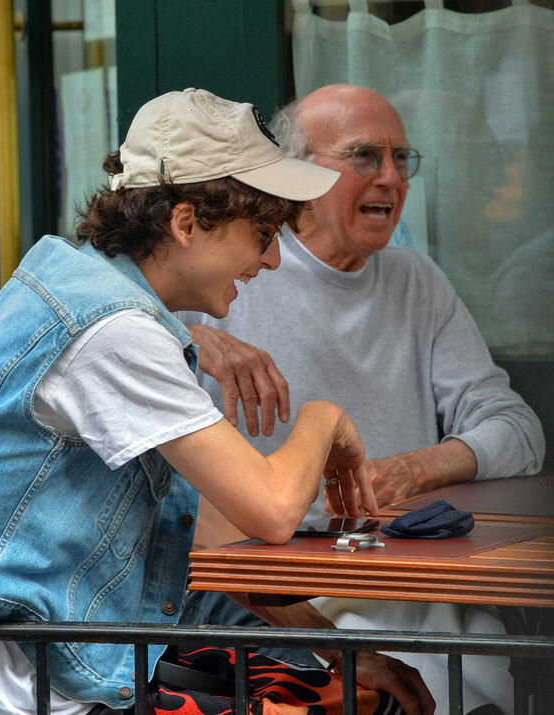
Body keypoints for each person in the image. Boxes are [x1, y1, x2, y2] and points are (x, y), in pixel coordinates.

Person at [0, 88, 435, 715]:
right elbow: (270, 511)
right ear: (185, 224)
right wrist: (324, 418)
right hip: (16, 689)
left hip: (61, 660)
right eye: (264, 233)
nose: (272, 259)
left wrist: (341, 651)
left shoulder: (88, 291)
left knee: (343, 695)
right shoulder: (114, 330)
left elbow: (205, 533)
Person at [178, 85, 546, 715]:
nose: (392, 178)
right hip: (279, 594)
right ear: (300, 176)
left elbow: (517, 429)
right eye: (365, 157)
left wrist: (418, 466)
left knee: (497, 664)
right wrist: (184, 334)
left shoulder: (416, 281)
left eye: (402, 159)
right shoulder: (229, 277)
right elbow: (98, 336)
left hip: (413, 578)